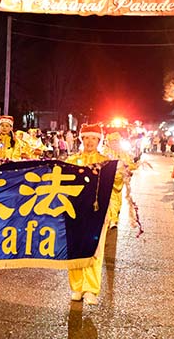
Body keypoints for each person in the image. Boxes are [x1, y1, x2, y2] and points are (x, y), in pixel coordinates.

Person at [65, 123, 118, 306]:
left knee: (95, 250)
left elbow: (117, 183)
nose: (89, 141)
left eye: (93, 138)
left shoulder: (106, 162)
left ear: (99, 140)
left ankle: (91, 289)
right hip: (75, 212)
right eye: (86, 137)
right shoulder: (72, 160)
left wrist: (120, 169)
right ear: (81, 140)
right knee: (75, 249)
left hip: (96, 212)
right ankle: (77, 287)